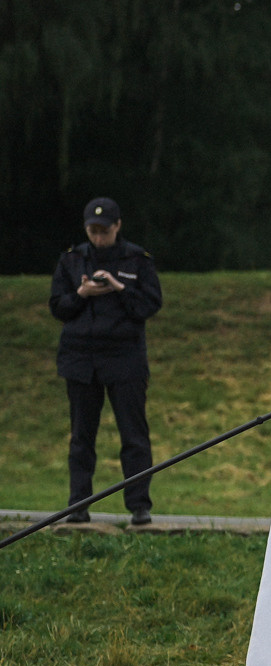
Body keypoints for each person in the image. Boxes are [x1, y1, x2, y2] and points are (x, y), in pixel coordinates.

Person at [49, 198, 163, 526]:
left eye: (105, 231)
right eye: (93, 231)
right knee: (81, 437)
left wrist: (118, 288)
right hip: (81, 360)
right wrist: (82, 294)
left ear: (118, 227)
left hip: (125, 359)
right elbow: (58, 307)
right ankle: (78, 504)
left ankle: (139, 506)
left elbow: (150, 304)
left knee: (134, 435)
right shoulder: (72, 260)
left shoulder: (136, 259)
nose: (99, 238)